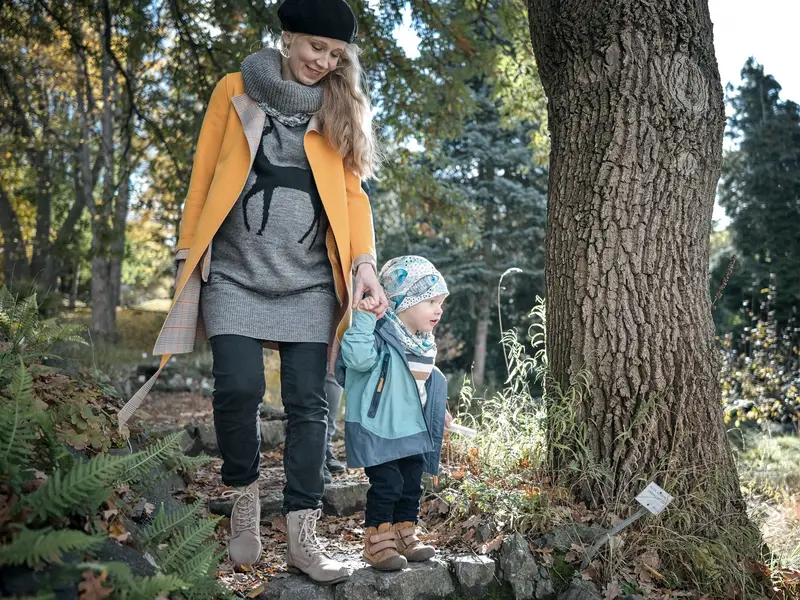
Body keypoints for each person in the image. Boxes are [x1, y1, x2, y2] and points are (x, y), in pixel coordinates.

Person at [117, 0, 388, 585]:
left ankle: (302, 530)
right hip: (236, 272)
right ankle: (242, 495)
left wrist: (364, 263)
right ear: (288, 37)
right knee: (238, 387)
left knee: (310, 405)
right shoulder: (236, 88)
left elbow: (354, 195)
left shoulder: (340, 106)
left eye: (335, 54)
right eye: (316, 47)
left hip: (312, 281)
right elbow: (204, 169)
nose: (324, 61)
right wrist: (190, 247)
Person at [336, 256, 452, 571]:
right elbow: (357, 360)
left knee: (411, 484)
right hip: (381, 428)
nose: (438, 309)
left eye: (440, 302)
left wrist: (441, 412)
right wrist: (363, 318)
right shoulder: (379, 336)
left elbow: (425, 384)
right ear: (402, 302)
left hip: (412, 432)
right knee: (387, 484)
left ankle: (404, 533)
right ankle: (377, 542)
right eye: (430, 301)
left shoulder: (422, 344)